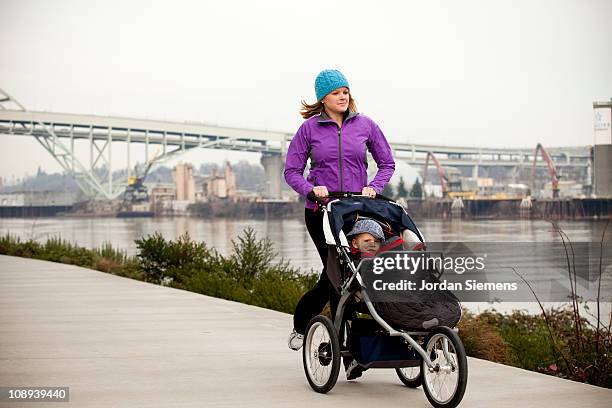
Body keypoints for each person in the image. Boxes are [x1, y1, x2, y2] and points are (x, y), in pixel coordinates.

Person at [284, 69, 395, 351]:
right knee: (334, 276)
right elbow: (291, 171)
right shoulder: (308, 129)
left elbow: (387, 163)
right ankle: (326, 337)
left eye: (345, 91)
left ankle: (350, 342)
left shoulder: (366, 125)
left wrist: (374, 186)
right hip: (321, 212)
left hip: (356, 211)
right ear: (323, 98)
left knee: (349, 276)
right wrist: (311, 189)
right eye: (336, 93)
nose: (342, 97)